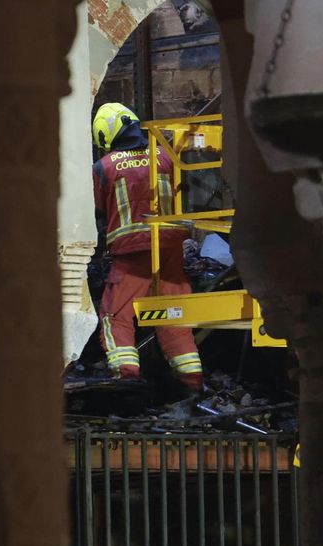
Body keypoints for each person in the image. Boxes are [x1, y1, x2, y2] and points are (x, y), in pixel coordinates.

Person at [91, 102, 203, 392]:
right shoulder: (166, 156)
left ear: (106, 136)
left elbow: (96, 212)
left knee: (115, 316)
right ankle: (192, 383)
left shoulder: (104, 167)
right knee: (174, 316)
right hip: (171, 250)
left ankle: (127, 379)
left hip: (133, 252)